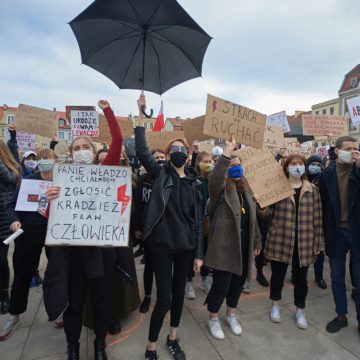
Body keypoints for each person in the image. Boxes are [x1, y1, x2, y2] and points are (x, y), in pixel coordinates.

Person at [43, 100, 123, 360]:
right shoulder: (62, 177)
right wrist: (50, 200)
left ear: (94, 150)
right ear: (71, 153)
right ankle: (73, 348)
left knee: (102, 301)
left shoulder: (104, 171)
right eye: (76, 148)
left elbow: (119, 140)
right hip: (72, 253)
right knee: (74, 304)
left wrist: (108, 112)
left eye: (85, 147)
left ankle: (100, 346)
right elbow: (50, 218)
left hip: (100, 251)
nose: (80, 151)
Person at [135, 94, 204, 360]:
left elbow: (197, 222)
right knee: (163, 298)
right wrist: (141, 116)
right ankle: (151, 346)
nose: (178, 152)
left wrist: (199, 254)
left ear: (188, 155)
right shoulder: (160, 173)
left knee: (178, 296)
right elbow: (142, 152)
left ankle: (173, 338)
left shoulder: (195, 184)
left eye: (182, 148)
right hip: (161, 246)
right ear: (168, 154)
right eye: (173, 148)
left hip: (185, 247)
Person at [204, 136, 261, 340]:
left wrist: (256, 242)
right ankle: (213, 318)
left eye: (238, 165)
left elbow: (253, 220)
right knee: (221, 285)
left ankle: (231, 314)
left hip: (244, 245)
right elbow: (215, 179)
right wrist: (227, 153)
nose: (235, 168)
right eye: (232, 165)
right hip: (225, 246)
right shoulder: (220, 190)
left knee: (238, 283)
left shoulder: (246, 189)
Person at [0, 148, 59, 341]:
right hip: (28, 232)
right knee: (22, 274)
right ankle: (14, 314)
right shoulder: (28, 182)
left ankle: (57, 311)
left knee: (57, 273)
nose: (43, 161)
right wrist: (13, 220)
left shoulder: (63, 182)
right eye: (40, 159)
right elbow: (11, 206)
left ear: (56, 161)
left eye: (47, 158)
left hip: (54, 232)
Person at [265, 154, 324, 330]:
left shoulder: (312, 189)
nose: (297, 166)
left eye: (300, 164)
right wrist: (261, 203)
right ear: (286, 167)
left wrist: (318, 243)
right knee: (278, 275)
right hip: (281, 237)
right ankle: (275, 306)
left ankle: (300, 309)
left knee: (301, 278)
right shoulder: (278, 188)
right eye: (293, 164)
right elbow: (266, 214)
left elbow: (318, 217)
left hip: (304, 240)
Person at [319, 136, 360, 335]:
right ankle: (341, 315)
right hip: (336, 232)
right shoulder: (327, 175)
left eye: (356, 148)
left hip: (357, 232)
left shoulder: (358, 171)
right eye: (349, 148)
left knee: (359, 280)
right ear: (337, 151)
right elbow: (323, 206)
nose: (353, 151)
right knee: (336, 277)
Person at [135, 149, 166, 314]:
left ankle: (163, 296)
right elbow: (138, 205)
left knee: (164, 268)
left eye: (162, 157)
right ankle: (147, 296)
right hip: (148, 231)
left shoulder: (170, 179)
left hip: (166, 231)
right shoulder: (143, 180)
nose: (159, 160)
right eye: (156, 158)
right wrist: (137, 228)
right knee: (150, 266)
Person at [185, 147, 214, 299]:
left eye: (210, 161)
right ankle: (188, 281)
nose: (208, 164)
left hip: (209, 222)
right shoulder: (192, 178)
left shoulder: (214, 180)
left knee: (207, 251)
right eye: (205, 162)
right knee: (192, 252)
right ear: (198, 163)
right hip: (194, 221)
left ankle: (204, 280)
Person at [0, 140, 21, 315]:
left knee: (1, 259)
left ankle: (4, 296)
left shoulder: (8, 170)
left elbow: (9, 177)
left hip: (4, 219)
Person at [306, 154, 327, 289]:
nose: (315, 167)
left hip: (320, 219)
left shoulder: (324, 179)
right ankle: (296, 272)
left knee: (318, 250)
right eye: (313, 164)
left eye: (318, 166)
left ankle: (319, 276)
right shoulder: (301, 179)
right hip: (303, 218)